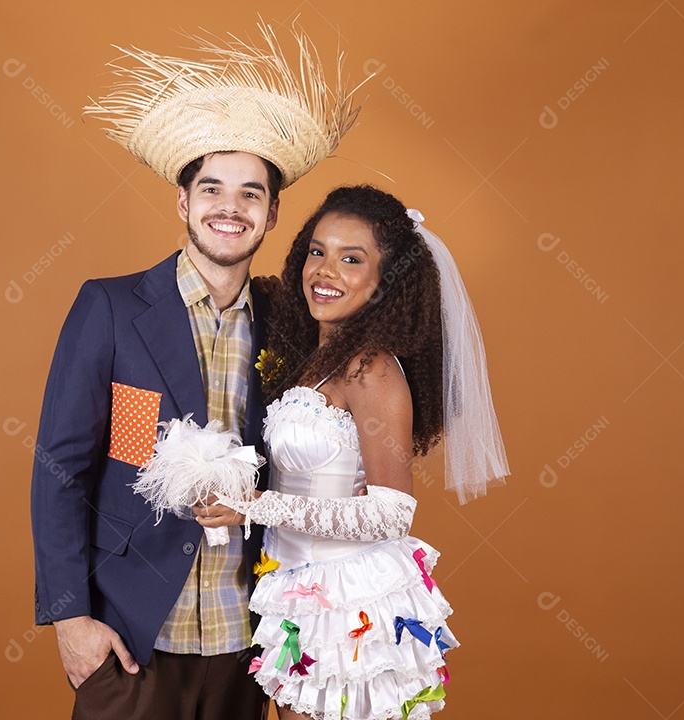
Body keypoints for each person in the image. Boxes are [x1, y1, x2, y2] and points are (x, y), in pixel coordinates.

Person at [29, 22, 365, 720]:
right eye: (212, 189)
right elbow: (60, 469)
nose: (229, 208)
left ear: (272, 214)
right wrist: (69, 618)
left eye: (250, 194)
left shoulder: (291, 322)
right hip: (133, 635)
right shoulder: (111, 308)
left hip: (248, 641)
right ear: (183, 203)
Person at [198, 186, 510, 720]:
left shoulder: (371, 369)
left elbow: (393, 514)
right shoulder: (314, 357)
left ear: (385, 280)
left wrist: (253, 505)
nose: (326, 271)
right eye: (317, 251)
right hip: (292, 588)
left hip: (345, 599)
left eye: (351, 259)